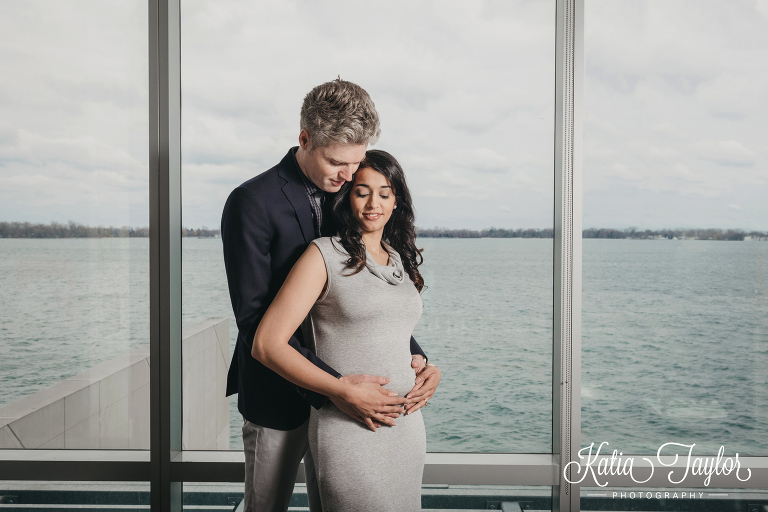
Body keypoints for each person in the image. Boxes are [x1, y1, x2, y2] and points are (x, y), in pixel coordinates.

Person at [221, 79, 441, 512]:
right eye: (337, 162)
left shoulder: (348, 196)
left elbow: (364, 294)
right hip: (281, 395)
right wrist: (336, 388)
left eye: (356, 162)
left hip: (353, 409)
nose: (348, 176)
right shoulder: (251, 202)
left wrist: (416, 358)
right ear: (304, 139)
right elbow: (253, 323)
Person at [252, 150, 429, 511]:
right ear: (347, 197)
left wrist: (426, 366)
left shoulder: (398, 258)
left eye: (384, 192)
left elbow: (392, 332)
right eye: (362, 191)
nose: (373, 203)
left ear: (397, 201)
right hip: (349, 427)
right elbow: (267, 344)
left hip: (407, 429)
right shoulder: (323, 255)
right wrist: (339, 391)